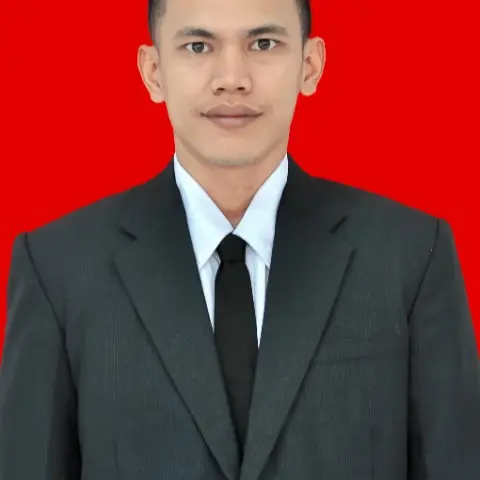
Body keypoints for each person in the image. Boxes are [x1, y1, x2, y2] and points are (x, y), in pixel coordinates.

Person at [1, 0, 479, 478]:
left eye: (263, 43)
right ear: (153, 71)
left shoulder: (411, 256)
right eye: (198, 46)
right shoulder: (57, 270)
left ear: (310, 65)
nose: (232, 78)